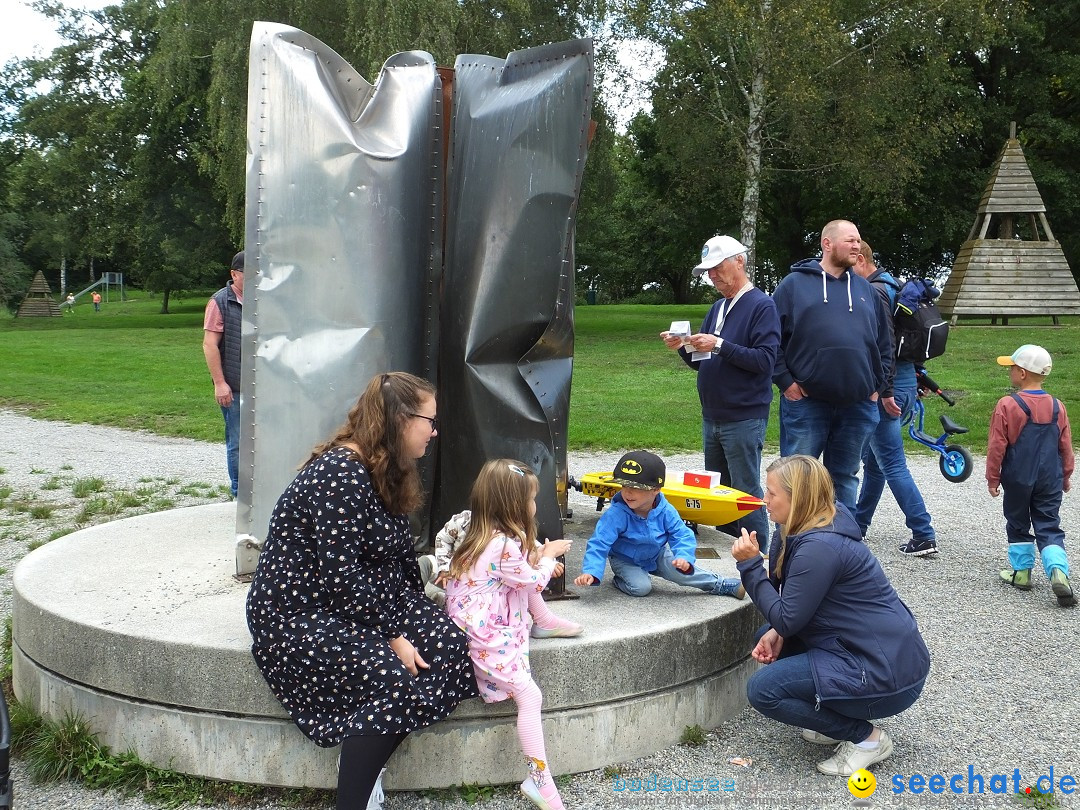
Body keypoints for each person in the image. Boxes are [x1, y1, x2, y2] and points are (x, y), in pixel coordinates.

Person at [246, 372, 478, 810]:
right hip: (301, 611)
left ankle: (366, 758)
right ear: (399, 420)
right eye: (429, 420)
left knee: (449, 645)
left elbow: (392, 556)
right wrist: (394, 635)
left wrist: (425, 605)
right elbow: (340, 577)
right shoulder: (340, 474)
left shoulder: (382, 469)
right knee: (393, 676)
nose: (434, 430)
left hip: (362, 601)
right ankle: (354, 796)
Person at [732, 455, 930, 777]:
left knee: (763, 691)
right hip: (863, 651)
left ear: (797, 498)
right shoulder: (803, 526)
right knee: (767, 637)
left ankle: (866, 739)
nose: (763, 500)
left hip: (886, 674)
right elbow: (791, 611)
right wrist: (780, 630)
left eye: (771, 493)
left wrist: (750, 566)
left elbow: (787, 618)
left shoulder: (819, 547)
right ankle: (834, 722)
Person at [445, 460, 575, 810]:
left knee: (530, 568)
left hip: (477, 621)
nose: (535, 505)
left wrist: (535, 559)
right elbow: (532, 580)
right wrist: (547, 557)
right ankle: (540, 782)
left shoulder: (483, 532)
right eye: (532, 499)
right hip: (484, 636)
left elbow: (518, 575)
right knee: (530, 697)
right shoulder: (503, 546)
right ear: (515, 505)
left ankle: (544, 619)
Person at [661, 235, 779, 541]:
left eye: (717, 267)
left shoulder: (762, 306)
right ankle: (731, 550)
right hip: (712, 414)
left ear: (739, 261)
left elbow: (765, 361)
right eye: (708, 270)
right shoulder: (718, 307)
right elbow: (703, 361)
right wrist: (683, 346)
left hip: (743, 415)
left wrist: (720, 344)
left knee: (745, 490)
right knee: (719, 492)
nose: (711, 275)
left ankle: (760, 553)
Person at [772, 220, 893, 509]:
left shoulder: (866, 290)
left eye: (858, 240)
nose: (856, 246)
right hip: (807, 404)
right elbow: (770, 339)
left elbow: (884, 345)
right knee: (797, 480)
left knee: (845, 477)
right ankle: (791, 548)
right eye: (850, 240)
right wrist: (786, 383)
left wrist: (877, 387)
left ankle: (842, 546)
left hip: (857, 405)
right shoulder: (793, 286)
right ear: (827, 244)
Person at [851, 242, 938, 555]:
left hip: (885, 388)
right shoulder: (895, 285)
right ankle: (857, 525)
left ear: (861, 260)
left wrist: (885, 392)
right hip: (902, 382)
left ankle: (923, 532)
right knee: (873, 463)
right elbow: (906, 342)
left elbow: (883, 347)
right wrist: (917, 376)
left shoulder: (875, 291)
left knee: (892, 463)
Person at [573, 451, 745, 599]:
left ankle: (721, 584)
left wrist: (684, 557)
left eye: (636, 487)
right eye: (624, 485)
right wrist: (591, 572)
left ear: (656, 489)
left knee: (683, 573)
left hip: (657, 554)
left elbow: (681, 534)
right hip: (625, 559)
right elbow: (599, 543)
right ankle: (619, 579)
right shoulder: (616, 513)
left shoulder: (665, 510)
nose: (628, 492)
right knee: (641, 588)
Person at [988, 345, 1075, 606]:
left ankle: (1022, 573)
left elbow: (996, 446)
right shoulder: (1058, 406)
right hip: (1050, 476)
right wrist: (1066, 474)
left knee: (1017, 522)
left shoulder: (1007, 405)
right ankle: (1058, 571)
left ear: (1023, 373)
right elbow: (1065, 446)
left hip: (1017, 476)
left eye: (1012, 367)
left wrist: (993, 478)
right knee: (1048, 523)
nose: (1010, 371)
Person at [422, 509, 583, 637]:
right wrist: (444, 567)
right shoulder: (464, 520)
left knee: (521, 577)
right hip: (454, 573)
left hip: (481, 587)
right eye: (531, 498)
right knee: (428, 562)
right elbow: (442, 538)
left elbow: (534, 549)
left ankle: (543, 619)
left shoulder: (511, 532)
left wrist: (547, 561)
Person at [202, 250, 244, 497]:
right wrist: (220, 383)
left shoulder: (266, 300)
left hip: (264, 388)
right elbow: (209, 345)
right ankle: (239, 494)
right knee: (238, 443)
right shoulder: (219, 302)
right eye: (249, 275)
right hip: (235, 386)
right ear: (234, 274)